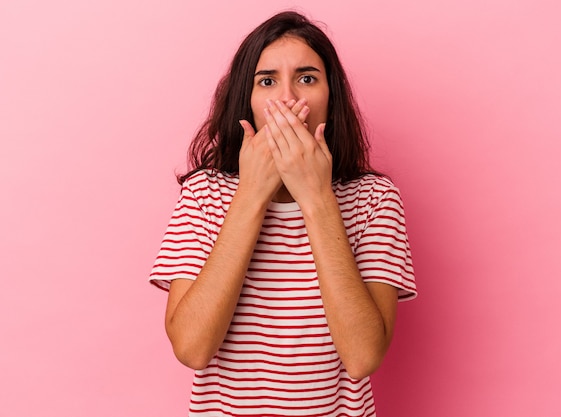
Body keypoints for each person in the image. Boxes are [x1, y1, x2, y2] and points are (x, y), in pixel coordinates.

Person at [150, 10, 417, 417]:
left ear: (331, 97)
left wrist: (317, 198)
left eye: (307, 78)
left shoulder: (375, 200)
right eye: (267, 80)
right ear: (248, 101)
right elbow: (191, 348)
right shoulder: (203, 194)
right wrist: (250, 197)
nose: (287, 98)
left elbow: (363, 357)